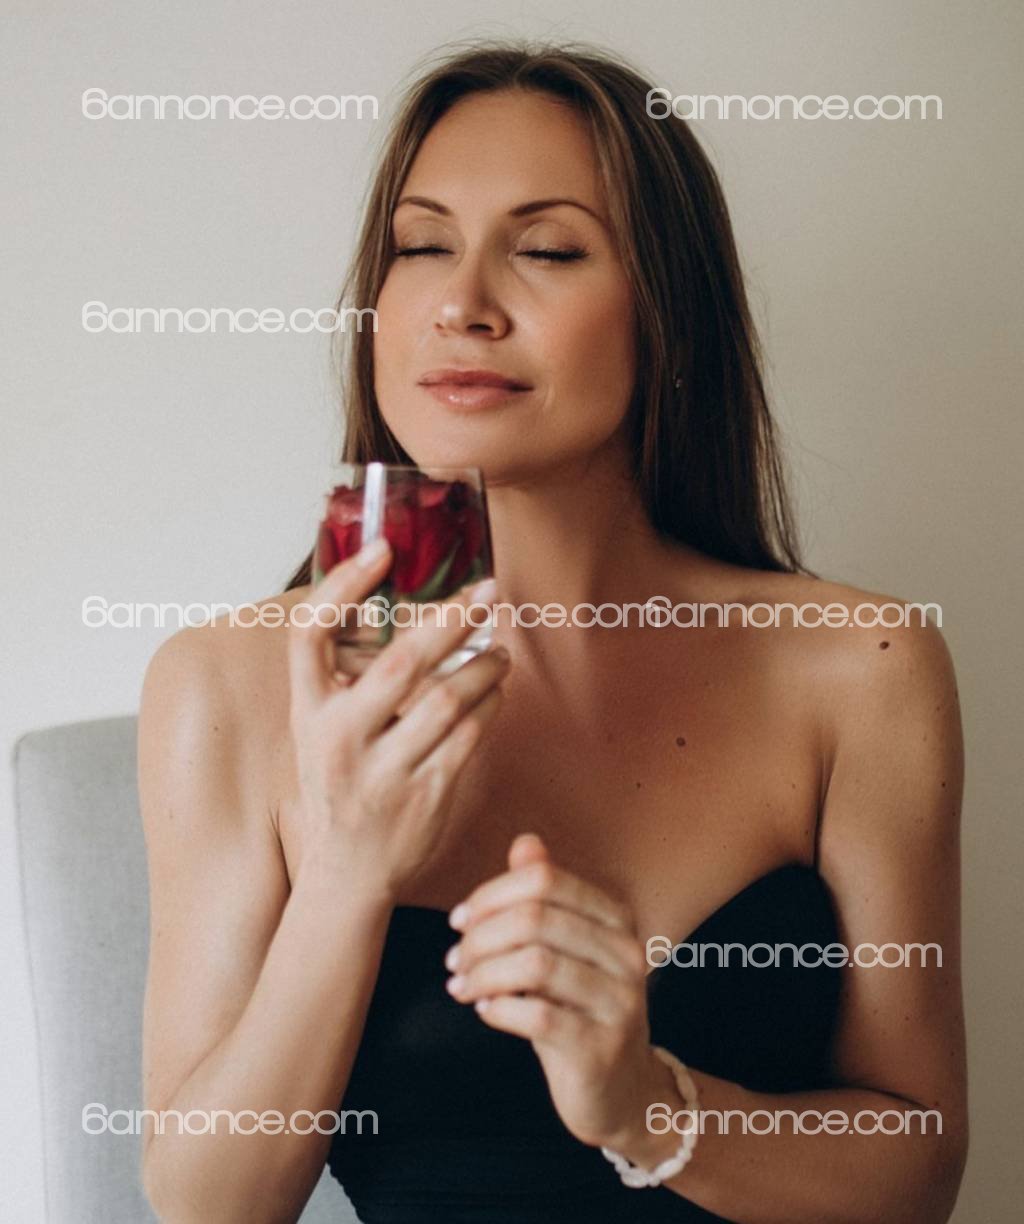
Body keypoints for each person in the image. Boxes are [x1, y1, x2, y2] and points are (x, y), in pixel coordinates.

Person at [138, 41, 967, 1223]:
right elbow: (207, 1203)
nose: (462, 303)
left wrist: (647, 1108)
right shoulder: (224, 685)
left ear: (667, 313)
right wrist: (349, 868)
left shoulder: (863, 667)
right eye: (421, 245)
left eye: (547, 250)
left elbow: (918, 1170)